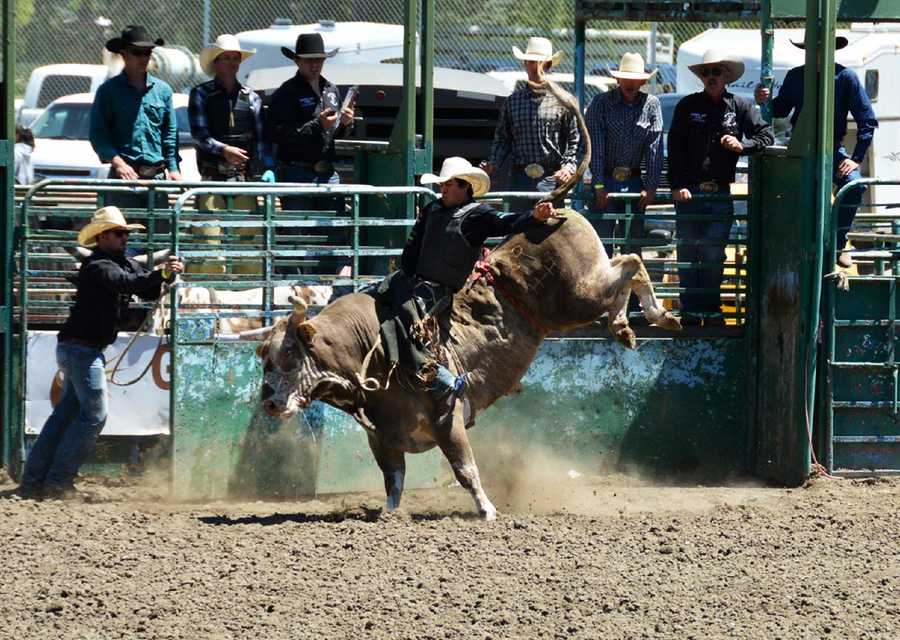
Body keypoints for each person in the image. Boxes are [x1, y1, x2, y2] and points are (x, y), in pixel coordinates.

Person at [16, 206, 184, 499]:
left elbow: (144, 288)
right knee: (94, 415)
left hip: (80, 348)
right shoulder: (99, 266)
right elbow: (130, 283)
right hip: (82, 350)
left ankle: (34, 481)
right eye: (120, 233)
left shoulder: (117, 263)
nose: (124, 238)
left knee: (65, 415)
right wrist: (161, 273)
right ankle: (57, 482)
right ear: (103, 236)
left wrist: (164, 277)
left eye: (125, 234)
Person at [387, 157, 560, 425]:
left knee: (405, 327)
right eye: (442, 185)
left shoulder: (478, 215)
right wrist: (404, 274)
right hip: (409, 282)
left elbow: (506, 222)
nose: (443, 190)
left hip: (436, 292)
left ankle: (449, 382)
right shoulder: (431, 209)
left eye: (448, 185)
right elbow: (412, 247)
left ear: (465, 186)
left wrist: (533, 217)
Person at [668, 50, 774, 326]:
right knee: (688, 251)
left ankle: (711, 308)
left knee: (714, 252)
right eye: (707, 72)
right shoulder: (688, 105)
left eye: (717, 72)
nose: (712, 77)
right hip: (689, 191)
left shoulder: (740, 105)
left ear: (726, 75)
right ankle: (691, 310)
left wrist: (744, 146)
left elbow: (766, 135)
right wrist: (677, 185)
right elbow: (675, 148)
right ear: (702, 77)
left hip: (719, 191)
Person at [754, 35, 878, 268]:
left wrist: (855, 159)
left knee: (856, 185)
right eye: (814, 47)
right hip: (800, 146)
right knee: (787, 192)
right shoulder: (795, 76)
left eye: (822, 47)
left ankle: (838, 242)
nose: (817, 52)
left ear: (832, 50)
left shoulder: (845, 77)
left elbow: (867, 120)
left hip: (832, 149)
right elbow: (779, 110)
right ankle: (791, 242)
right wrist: (764, 100)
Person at [267, 32, 355, 273]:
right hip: (297, 171)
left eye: (319, 60)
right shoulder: (287, 92)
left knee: (331, 233)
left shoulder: (331, 90)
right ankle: (295, 289)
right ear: (297, 61)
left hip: (326, 173)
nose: (315, 65)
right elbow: (277, 133)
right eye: (309, 60)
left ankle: (326, 287)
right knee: (298, 233)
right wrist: (318, 125)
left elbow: (335, 137)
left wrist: (346, 124)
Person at [189, 33, 275, 274]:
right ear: (216, 62)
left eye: (235, 58)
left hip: (243, 182)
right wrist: (224, 150)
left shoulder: (252, 98)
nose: (231, 63)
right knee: (209, 248)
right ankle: (204, 304)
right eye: (225, 58)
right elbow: (199, 134)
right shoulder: (201, 94)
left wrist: (266, 168)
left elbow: (262, 141)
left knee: (248, 252)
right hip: (212, 179)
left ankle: (244, 302)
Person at [481, 37, 579, 212]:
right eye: (531, 62)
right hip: (519, 176)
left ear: (548, 65)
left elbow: (574, 140)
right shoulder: (513, 102)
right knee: (517, 228)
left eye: (539, 63)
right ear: (525, 64)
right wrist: (493, 164)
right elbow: (503, 139)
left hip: (551, 177)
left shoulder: (563, 101)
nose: (534, 67)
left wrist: (568, 167)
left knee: (550, 233)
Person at [89, 25, 181, 209]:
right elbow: (98, 134)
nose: (143, 58)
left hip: (156, 178)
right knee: (120, 234)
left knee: (159, 235)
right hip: (123, 178)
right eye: (137, 52)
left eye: (147, 53)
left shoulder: (163, 91)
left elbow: (169, 134)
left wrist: (173, 168)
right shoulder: (108, 91)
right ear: (123, 54)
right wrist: (119, 164)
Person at [585, 52, 663, 257]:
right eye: (626, 78)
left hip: (635, 180)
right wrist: (599, 184)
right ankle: (604, 289)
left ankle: (631, 289)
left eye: (635, 80)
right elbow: (595, 145)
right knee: (602, 247)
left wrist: (651, 185)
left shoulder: (652, 104)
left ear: (642, 82)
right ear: (617, 79)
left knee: (632, 245)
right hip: (606, 180)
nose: (630, 83)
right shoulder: (600, 102)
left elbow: (654, 148)